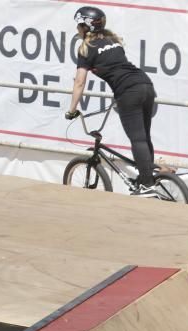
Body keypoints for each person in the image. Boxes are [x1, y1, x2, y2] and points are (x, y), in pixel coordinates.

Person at [65, 6, 158, 197]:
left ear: (86, 26)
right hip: (146, 85)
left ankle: (148, 185)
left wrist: (71, 110)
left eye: (79, 26)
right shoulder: (112, 40)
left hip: (128, 91)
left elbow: (79, 82)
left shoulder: (86, 49)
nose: (77, 30)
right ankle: (148, 177)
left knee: (137, 139)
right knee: (144, 137)